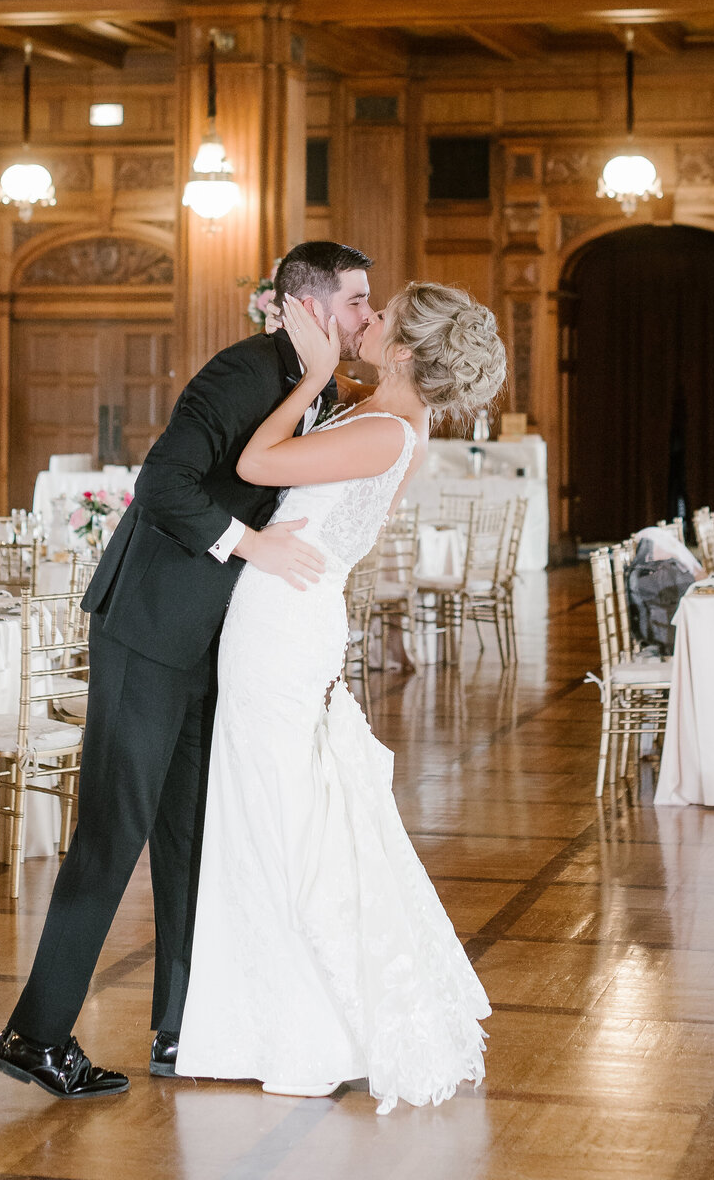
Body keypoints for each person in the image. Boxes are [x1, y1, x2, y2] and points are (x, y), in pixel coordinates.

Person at [0, 242, 378, 1100]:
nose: (364, 317)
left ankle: (182, 1027)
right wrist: (253, 544)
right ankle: (36, 1034)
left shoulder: (320, 390)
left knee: (191, 838)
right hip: (148, 629)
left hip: (215, 645)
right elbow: (161, 483)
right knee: (113, 832)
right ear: (309, 308)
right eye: (355, 301)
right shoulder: (241, 372)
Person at [172, 283, 504, 1109]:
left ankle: (298, 1030)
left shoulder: (384, 428)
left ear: (401, 351)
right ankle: (265, 1020)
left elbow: (254, 464)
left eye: (381, 316)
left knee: (273, 812)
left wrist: (309, 376)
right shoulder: (393, 422)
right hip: (294, 614)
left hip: (282, 623)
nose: (367, 321)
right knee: (276, 807)